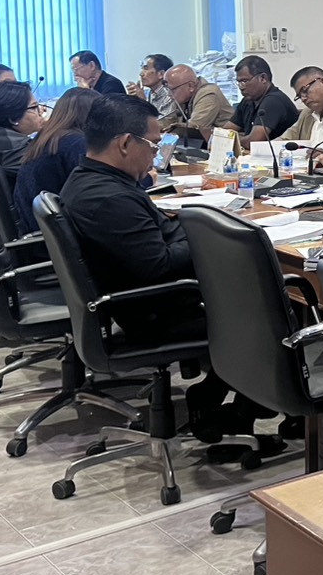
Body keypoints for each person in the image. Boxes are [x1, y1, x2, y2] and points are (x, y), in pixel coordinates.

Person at [60, 95, 271, 440]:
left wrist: (196, 225)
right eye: (154, 145)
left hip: (139, 300)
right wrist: (208, 236)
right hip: (154, 310)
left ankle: (222, 396)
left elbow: (159, 237)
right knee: (273, 312)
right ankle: (242, 412)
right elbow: (159, 266)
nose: (156, 155)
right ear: (125, 143)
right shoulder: (110, 198)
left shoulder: (93, 180)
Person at [14, 87, 101, 234]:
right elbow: (96, 193)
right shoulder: (75, 144)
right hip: (57, 235)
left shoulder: (47, 137)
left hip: (39, 231)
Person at [222, 54, 298, 144]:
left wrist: (234, 140)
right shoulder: (248, 100)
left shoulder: (273, 100)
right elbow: (224, 133)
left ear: (263, 78)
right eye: (239, 83)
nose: (241, 87)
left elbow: (254, 141)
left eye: (244, 81)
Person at [277, 66, 323, 150]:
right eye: (299, 96)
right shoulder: (307, 113)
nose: (303, 98)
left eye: (305, 90)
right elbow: (283, 141)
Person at [163, 64, 234, 145]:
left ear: (190, 86)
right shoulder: (183, 97)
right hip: (202, 143)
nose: (168, 94)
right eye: (166, 90)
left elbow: (194, 127)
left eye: (171, 90)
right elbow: (168, 120)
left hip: (226, 144)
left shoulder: (208, 94)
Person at [127, 54, 177, 123]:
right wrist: (132, 101)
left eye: (146, 68)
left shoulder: (170, 95)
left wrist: (143, 102)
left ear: (161, 74)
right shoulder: (146, 92)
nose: (141, 73)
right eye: (142, 68)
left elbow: (163, 124)